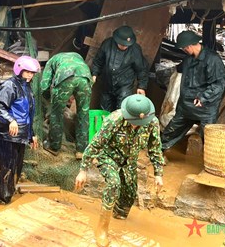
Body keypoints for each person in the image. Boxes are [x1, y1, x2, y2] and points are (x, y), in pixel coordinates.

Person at [75, 94, 164, 247]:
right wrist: (83, 170)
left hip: (129, 161)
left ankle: (116, 216)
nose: (136, 125)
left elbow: (155, 148)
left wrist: (158, 174)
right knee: (114, 184)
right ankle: (102, 228)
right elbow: (96, 144)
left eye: (139, 123)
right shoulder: (114, 120)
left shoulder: (152, 123)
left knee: (129, 195)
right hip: (109, 157)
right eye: (133, 122)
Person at [161, 30, 225, 151]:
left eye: (183, 48)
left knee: (209, 137)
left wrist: (204, 97)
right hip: (186, 105)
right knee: (172, 130)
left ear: (189, 46)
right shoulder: (188, 60)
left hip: (205, 107)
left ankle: (212, 163)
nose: (183, 50)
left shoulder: (212, 59)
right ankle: (158, 153)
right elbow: (180, 72)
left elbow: (218, 84)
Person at [0, 55, 40, 204]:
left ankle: (8, 195)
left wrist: (32, 135)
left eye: (32, 73)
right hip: (8, 136)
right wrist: (10, 119)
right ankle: (1, 199)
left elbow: (28, 115)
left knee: (17, 167)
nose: (30, 76)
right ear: (19, 70)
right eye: (28, 72)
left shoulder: (27, 88)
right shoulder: (10, 86)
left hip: (21, 135)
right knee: (7, 167)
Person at [40, 52, 92, 159]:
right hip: (86, 77)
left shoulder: (52, 61)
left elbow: (44, 85)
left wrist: (49, 99)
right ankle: (81, 150)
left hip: (65, 77)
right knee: (83, 114)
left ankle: (54, 146)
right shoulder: (78, 57)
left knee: (57, 113)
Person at [91, 25, 149, 112]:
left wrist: (142, 86)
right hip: (107, 82)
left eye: (127, 45)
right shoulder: (107, 44)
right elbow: (98, 61)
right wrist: (94, 74)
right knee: (104, 108)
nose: (125, 47)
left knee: (121, 109)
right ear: (116, 40)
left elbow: (141, 69)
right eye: (122, 44)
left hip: (124, 85)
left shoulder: (135, 50)